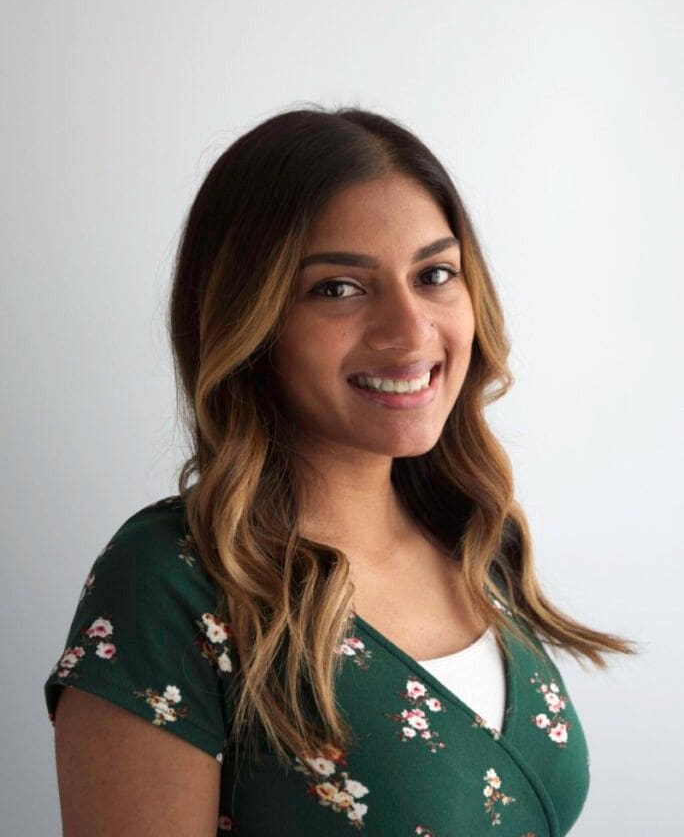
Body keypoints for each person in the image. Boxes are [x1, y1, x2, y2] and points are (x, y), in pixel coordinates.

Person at [45, 105, 636, 836]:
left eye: (435, 274)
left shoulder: (474, 536)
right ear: (249, 321)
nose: (410, 331)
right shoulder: (174, 583)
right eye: (338, 289)